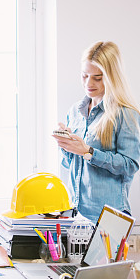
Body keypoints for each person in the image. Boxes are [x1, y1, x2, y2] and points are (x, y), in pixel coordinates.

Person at [53, 41, 140, 223]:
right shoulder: (75, 111)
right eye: (84, 76)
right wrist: (66, 146)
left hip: (109, 215)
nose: (89, 83)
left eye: (97, 78)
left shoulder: (125, 114)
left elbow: (130, 165)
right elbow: (71, 166)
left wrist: (89, 152)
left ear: (111, 77)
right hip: (76, 213)